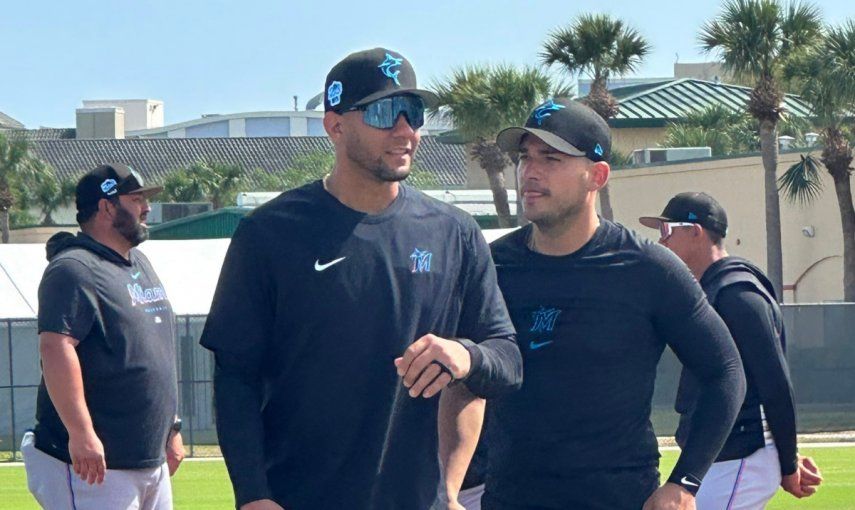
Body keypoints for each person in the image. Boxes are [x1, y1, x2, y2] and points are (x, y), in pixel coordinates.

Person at [199, 47, 522, 510]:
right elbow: (235, 378)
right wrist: (252, 495)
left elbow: (506, 358)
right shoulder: (269, 233)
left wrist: (465, 354)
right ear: (335, 125)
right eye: (385, 112)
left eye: (414, 113)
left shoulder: (454, 233)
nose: (405, 130)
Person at [476, 98, 747, 510]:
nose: (530, 171)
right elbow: (461, 384)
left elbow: (725, 371)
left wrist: (684, 483)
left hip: (620, 499)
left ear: (596, 175)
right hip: (508, 499)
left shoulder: (648, 268)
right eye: (525, 156)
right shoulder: (493, 265)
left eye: (551, 157)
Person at [640, 192, 823, 508]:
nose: (662, 242)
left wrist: (788, 461)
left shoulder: (736, 294)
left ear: (696, 231)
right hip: (725, 455)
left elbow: (775, 383)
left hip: (743, 454)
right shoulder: (714, 290)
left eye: (668, 231)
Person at [23, 163, 184, 509]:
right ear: (107, 206)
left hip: (146, 460)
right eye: (136, 199)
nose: (147, 208)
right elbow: (55, 347)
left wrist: (171, 427)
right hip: (94, 466)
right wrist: (80, 434)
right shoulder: (74, 269)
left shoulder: (137, 263)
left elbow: (154, 352)